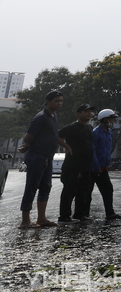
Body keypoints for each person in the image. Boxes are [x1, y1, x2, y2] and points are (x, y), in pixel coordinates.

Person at [18, 90, 70, 229]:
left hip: (48, 158)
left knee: (46, 187)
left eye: (61, 101)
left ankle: (41, 218)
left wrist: (66, 146)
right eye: (56, 101)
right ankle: (25, 221)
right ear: (48, 102)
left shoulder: (54, 116)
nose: (59, 103)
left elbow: (54, 136)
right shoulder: (40, 117)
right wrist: (26, 145)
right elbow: (28, 137)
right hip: (37, 157)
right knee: (31, 187)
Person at [58, 104, 96, 223]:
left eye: (91, 111)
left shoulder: (90, 127)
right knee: (69, 190)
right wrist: (67, 146)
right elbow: (57, 136)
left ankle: (80, 214)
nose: (89, 113)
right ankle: (64, 216)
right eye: (86, 111)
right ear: (78, 114)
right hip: (72, 164)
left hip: (86, 164)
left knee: (84, 190)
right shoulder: (72, 127)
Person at [91, 109, 121, 220]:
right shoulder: (95, 132)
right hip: (94, 168)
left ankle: (110, 213)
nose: (113, 121)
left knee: (108, 189)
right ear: (104, 120)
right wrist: (96, 166)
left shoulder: (109, 132)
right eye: (111, 119)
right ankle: (82, 215)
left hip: (103, 167)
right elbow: (92, 150)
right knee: (87, 192)